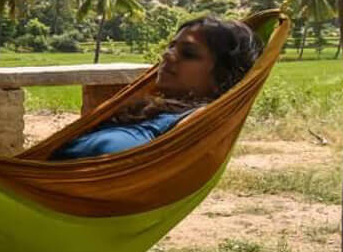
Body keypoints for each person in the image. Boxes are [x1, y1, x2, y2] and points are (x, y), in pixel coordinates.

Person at [50, 17, 261, 160]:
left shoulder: (201, 121)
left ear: (222, 76)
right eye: (171, 46)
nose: (167, 55)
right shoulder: (149, 112)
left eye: (188, 54)